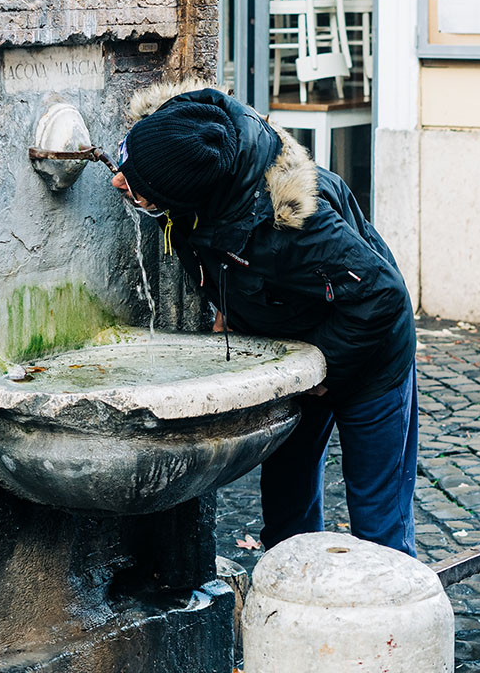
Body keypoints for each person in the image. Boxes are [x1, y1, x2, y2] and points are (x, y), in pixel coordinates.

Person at [111, 81, 418, 557]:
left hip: (372, 356)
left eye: (137, 187)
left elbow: (384, 296)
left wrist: (326, 366)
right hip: (292, 347)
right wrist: (229, 309)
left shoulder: (299, 225)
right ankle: (296, 615)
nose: (118, 182)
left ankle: (397, 622)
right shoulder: (193, 146)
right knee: (287, 517)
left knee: (379, 528)